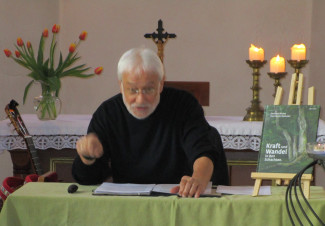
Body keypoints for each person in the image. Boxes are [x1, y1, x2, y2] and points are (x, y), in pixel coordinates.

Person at [72, 47, 228, 198]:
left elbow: (202, 151)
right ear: (121, 86)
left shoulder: (184, 105)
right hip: (127, 202)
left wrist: (198, 179)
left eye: (148, 90)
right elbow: (88, 180)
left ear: (160, 84)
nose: (140, 99)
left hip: (179, 198)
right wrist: (88, 157)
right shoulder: (108, 113)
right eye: (132, 90)